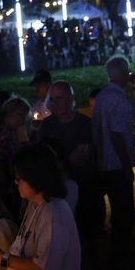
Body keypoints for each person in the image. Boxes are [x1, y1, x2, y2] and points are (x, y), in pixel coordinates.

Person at [0, 144, 85, 270]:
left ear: (35, 177)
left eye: (19, 178)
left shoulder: (53, 212)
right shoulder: (34, 205)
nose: (15, 182)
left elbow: (45, 267)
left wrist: (1, 258)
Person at [37, 81, 100, 242]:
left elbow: (84, 155)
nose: (56, 103)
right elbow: (43, 158)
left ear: (71, 98)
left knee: (88, 236)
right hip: (59, 191)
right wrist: (67, 160)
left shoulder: (84, 124)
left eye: (60, 98)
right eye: (53, 99)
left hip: (85, 188)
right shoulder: (47, 126)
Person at [91, 56, 135, 267]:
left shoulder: (102, 96)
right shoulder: (118, 98)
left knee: (118, 211)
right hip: (117, 164)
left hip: (104, 162)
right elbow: (116, 133)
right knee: (124, 212)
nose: (129, 74)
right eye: (127, 71)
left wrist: (131, 137)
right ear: (119, 74)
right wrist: (126, 163)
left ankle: (117, 252)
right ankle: (121, 255)